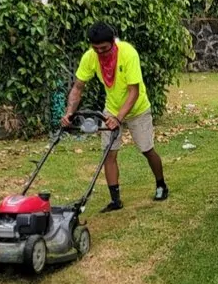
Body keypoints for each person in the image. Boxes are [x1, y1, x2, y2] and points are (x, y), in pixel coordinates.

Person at [61, 22, 168, 212]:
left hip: (137, 108)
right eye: (96, 49)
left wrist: (118, 119)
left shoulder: (128, 53)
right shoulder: (90, 57)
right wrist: (69, 112)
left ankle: (161, 185)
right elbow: (78, 87)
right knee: (109, 153)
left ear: (113, 42)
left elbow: (133, 92)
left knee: (146, 149)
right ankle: (115, 200)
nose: (100, 53)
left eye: (104, 48)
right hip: (112, 107)